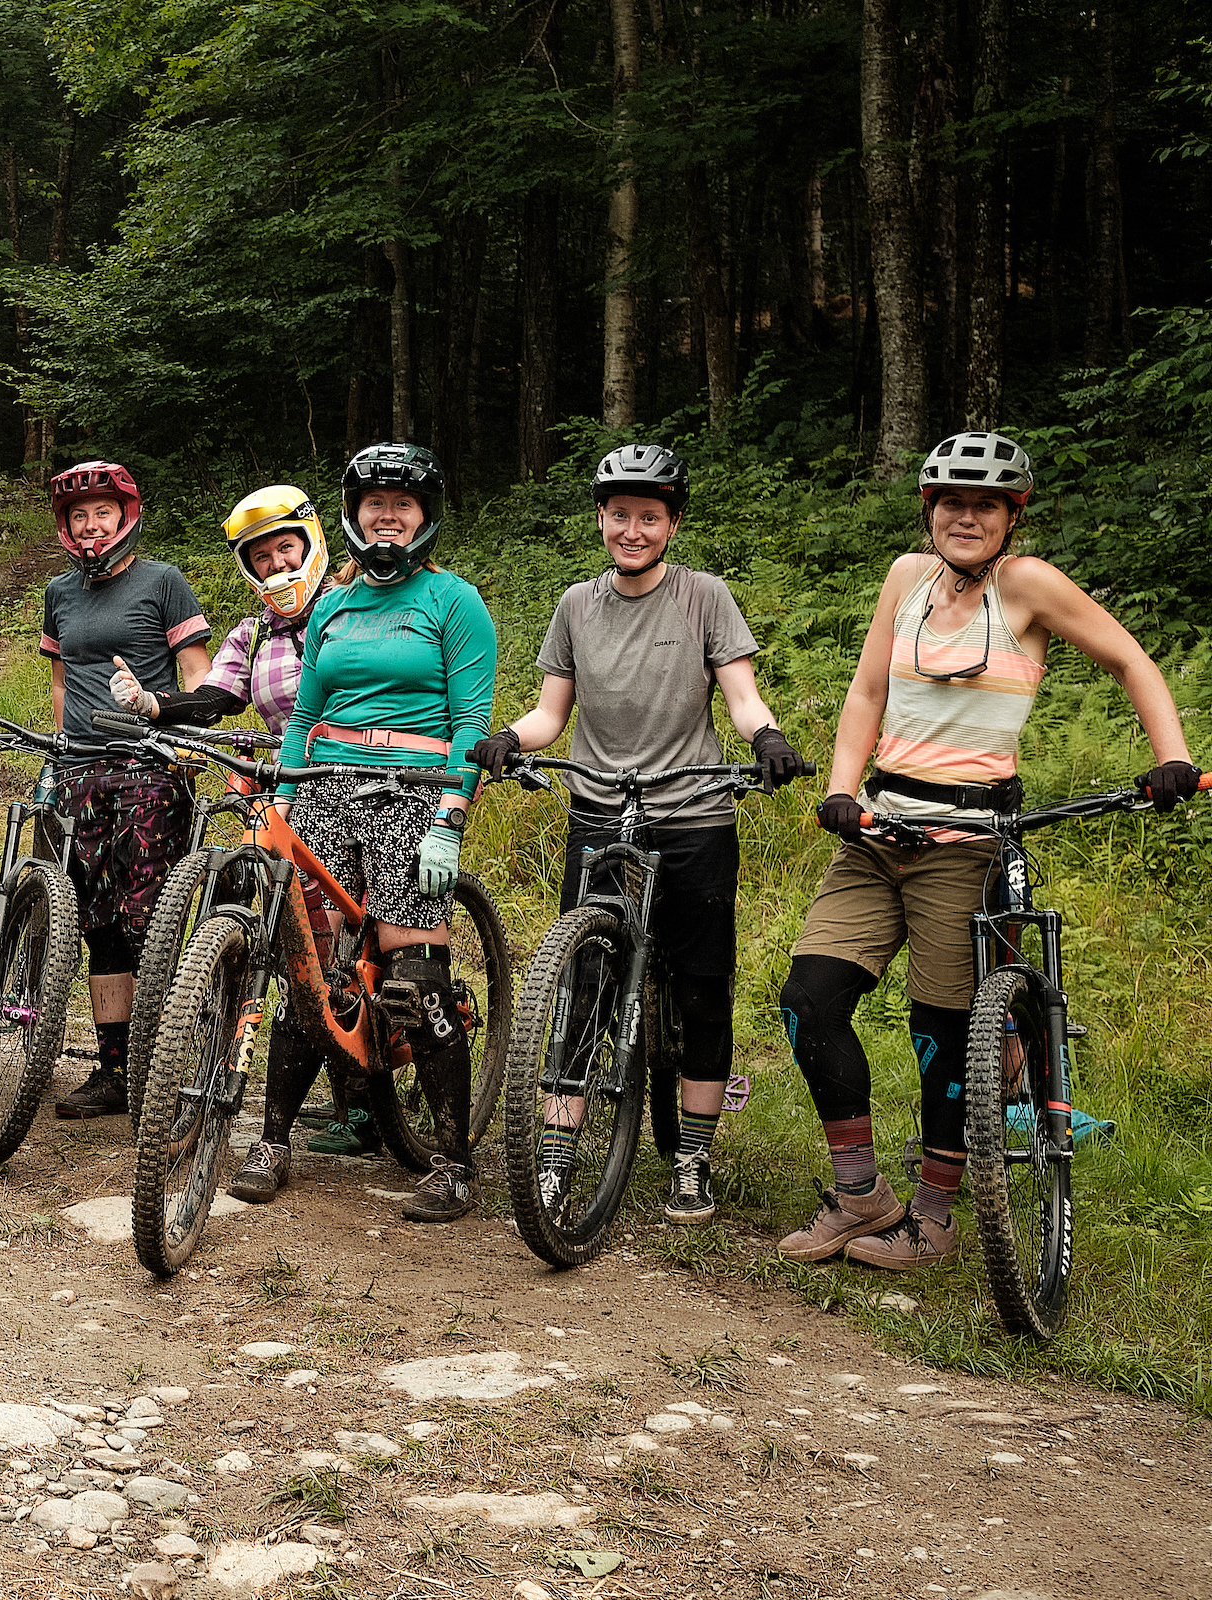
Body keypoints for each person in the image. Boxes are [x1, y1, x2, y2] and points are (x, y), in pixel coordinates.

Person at [776, 431, 1198, 1271]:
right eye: (952, 502)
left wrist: (1171, 756)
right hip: (877, 831)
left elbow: (1132, 661)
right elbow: (867, 690)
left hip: (968, 843)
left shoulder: (1030, 587)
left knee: (942, 1034)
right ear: (929, 508)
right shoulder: (907, 578)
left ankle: (933, 1220)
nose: (967, 517)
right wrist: (841, 787)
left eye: (987, 505)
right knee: (808, 1003)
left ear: (1012, 516)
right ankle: (861, 1194)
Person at [468, 444, 814, 1225]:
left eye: (648, 517)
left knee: (700, 983)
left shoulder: (705, 597)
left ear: (672, 524)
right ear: (600, 519)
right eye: (619, 514)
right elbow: (552, 713)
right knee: (582, 982)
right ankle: (556, 1159)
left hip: (691, 811)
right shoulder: (574, 606)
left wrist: (767, 740)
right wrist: (511, 741)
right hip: (596, 808)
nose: (632, 529)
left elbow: (742, 698)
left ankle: (692, 1158)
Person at [108, 484, 361, 1197]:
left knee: (353, 941)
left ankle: (367, 1099)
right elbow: (217, 697)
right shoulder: (251, 636)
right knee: (297, 944)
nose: (278, 565)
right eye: (263, 556)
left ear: (312, 545)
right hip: (285, 794)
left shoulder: (353, 615)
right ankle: (293, 1096)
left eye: (287, 549)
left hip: (361, 786)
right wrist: (154, 706)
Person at [273, 443, 499, 1223]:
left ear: (426, 517)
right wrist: (285, 788)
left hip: (413, 792)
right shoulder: (331, 606)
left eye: (403, 506)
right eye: (376, 505)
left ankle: (453, 1162)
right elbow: (303, 713)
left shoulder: (454, 601)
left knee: (414, 974)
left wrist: (451, 818)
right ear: (355, 514)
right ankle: (271, 1142)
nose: (388, 516)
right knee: (310, 965)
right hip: (325, 789)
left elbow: (473, 721)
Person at [37, 460, 213, 1119]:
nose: (90, 526)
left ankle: (165, 1071)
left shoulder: (164, 582)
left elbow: (197, 677)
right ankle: (114, 1073)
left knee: (150, 926)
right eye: (79, 516)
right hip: (81, 772)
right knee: (99, 929)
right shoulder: (60, 593)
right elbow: (60, 681)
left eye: (102, 513)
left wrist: (175, 736)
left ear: (126, 515)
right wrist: (58, 757)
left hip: (147, 771)